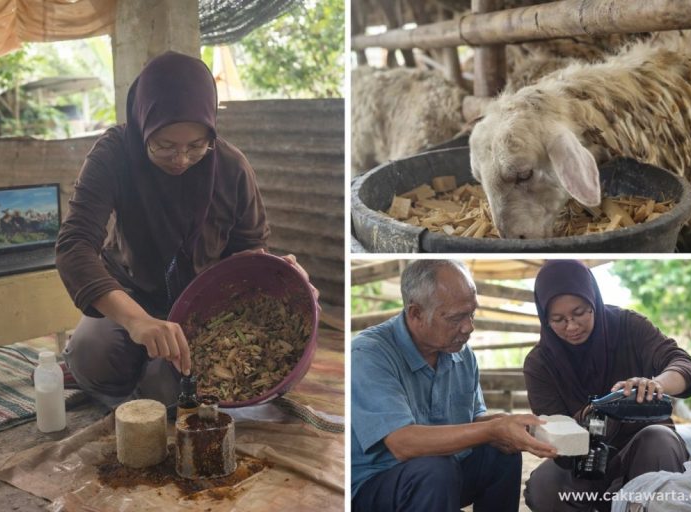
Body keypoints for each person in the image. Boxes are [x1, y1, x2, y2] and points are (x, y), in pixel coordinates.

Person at [55, 51, 313, 409]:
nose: (181, 159)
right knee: (93, 356)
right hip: (131, 294)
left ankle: (149, 377)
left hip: (202, 307)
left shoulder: (231, 167)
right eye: (164, 146)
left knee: (176, 393)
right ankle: (96, 362)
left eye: (195, 146)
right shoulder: (114, 154)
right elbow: (75, 245)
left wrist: (281, 272)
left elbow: (248, 251)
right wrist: (138, 321)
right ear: (143, 124)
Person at [351, 259, 558, 512]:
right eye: (456, 317)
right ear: (416, 314)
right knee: (435, 470)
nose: (468, 327)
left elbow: (474, 421)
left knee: (501, 452)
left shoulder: (461, 353)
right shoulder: (369, 353)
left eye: (471, 313)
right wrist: (494, 429)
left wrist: (506, 424)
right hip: (376, 485)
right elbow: (402, 443)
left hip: (441, 476)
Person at [523, 260, 691, 511]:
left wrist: (655, 384)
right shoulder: (539, 364)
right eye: (558, 319)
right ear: (544, 318)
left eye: (580, 312)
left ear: (593, 300)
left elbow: (683, 364)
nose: (571, 326)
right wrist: (591, 416)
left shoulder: (629, 326)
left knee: (658, 439)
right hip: (583, 459)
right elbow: (556, 433)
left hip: (645, 452)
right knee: (543, 486)